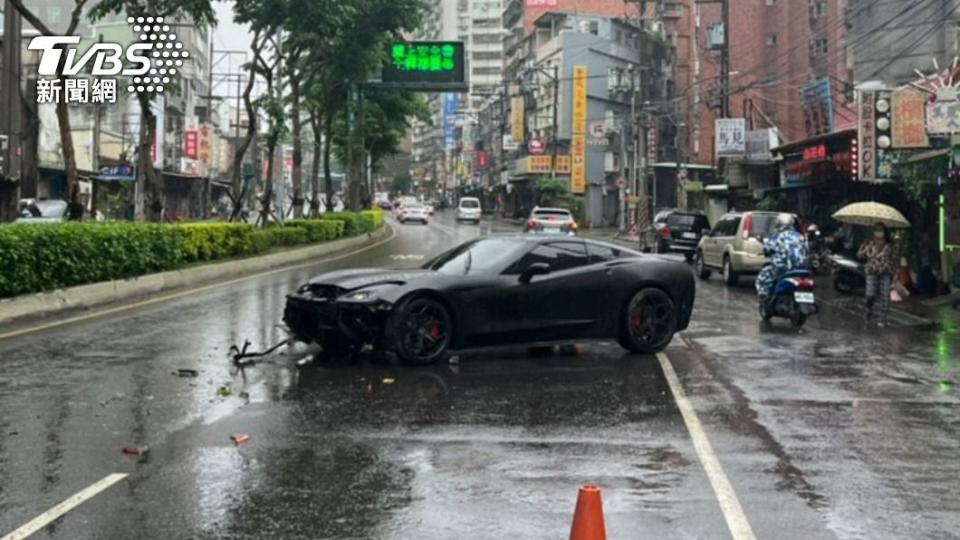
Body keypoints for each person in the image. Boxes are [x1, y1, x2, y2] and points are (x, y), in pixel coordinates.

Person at [756, 213, 808, 301]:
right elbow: (806, 250)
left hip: (782, 269)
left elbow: (767, 249)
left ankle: (764, 298)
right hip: (800, 269)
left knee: (763, 276)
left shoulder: (777, 236)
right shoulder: (800, 237)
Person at [857, 222, 896, 327]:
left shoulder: (889, 244)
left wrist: (895, 273)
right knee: (870, 294)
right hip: (871, 272)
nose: (879, 232)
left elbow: (894, 258)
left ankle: (883, 319)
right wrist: (866, 250)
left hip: (886, 272)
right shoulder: (868, 243)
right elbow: (859, 255)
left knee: (885, 297)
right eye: (877, 230)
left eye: (881, 230)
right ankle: (868, 310)